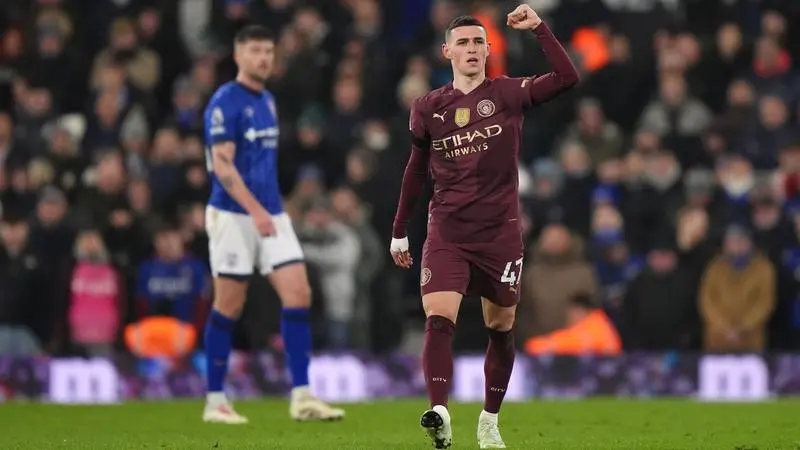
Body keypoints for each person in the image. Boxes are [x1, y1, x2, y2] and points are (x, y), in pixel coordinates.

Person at [389, 5, 579, 449]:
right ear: (447, 52)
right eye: (463, 43)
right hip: (448, 231)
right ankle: (439, 411)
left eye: (478, 42)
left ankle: (490, 420)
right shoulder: (428, 108)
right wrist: (399, 230)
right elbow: (415, 171)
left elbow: (567, 77)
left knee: (501, 326)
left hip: (500, 233)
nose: (472, 49)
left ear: (489, 49)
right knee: (439, 317)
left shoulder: (509, 93)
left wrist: (539, 29)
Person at [202, 25, 344, 424]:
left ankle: (302, 396)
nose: (263, 58)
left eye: (268, 51)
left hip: (271, 212)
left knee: (298, 293)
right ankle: (215, 400)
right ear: (238, 55)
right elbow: (222, 167)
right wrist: (256, 211)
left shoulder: (267, 100)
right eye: (255, 51)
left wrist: (274, 209)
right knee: (229, 304)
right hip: (233, 214)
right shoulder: (224, 103)